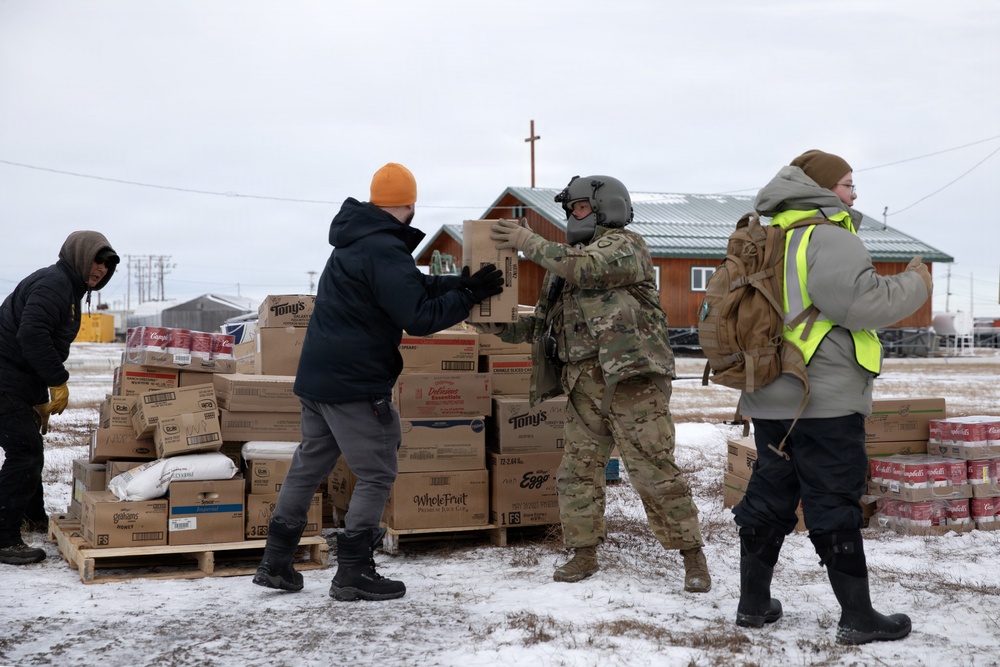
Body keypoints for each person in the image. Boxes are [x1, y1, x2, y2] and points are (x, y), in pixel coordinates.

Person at [253, 162, 503, 600]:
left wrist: (457, 283)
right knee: (377, 471)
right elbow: (418, 317)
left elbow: (408, 286)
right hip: (355, 383)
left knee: (310, 464)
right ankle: (353, 573)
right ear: (409, 204)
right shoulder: (385, 250)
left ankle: (276, 562)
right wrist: (468, 298)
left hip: (318, 380)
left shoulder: (353, 244)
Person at [731, 150, 932, 645]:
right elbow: (862, 304)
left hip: (771, 392)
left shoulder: (766, 236)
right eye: (846, 184)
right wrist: (916, 283)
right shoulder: (828, 236)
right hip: (822, 397)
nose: (854, 193)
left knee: (770, 495)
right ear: (821, 189)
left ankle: (753, 604)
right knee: (833, 498)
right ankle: (858, 616)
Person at [480, 175, 711, 592]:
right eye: (571, 208)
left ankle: (692, 556)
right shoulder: (566, 264)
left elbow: (589, 271)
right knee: (577, 473)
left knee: (654, 473)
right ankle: (583, 552)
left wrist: (527, 241)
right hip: (583, 383)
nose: (573, 215)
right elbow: (545, 324)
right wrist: (503, 324)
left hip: (631, 386)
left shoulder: (624, 246)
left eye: (581, 207)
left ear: (607, 207)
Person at [0, 231, 119, 565]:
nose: (101, 269)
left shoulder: (67, 289)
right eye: (97, 260)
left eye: (108, 265)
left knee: (28, 449)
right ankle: (4, 536)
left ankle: (33, 516)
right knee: (25, 452)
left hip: (15, 381)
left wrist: (38, 395)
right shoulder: (55, 284)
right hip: (4, 380)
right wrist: (57, 381)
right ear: (79, 256)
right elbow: (32, 335)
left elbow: (33, 345)